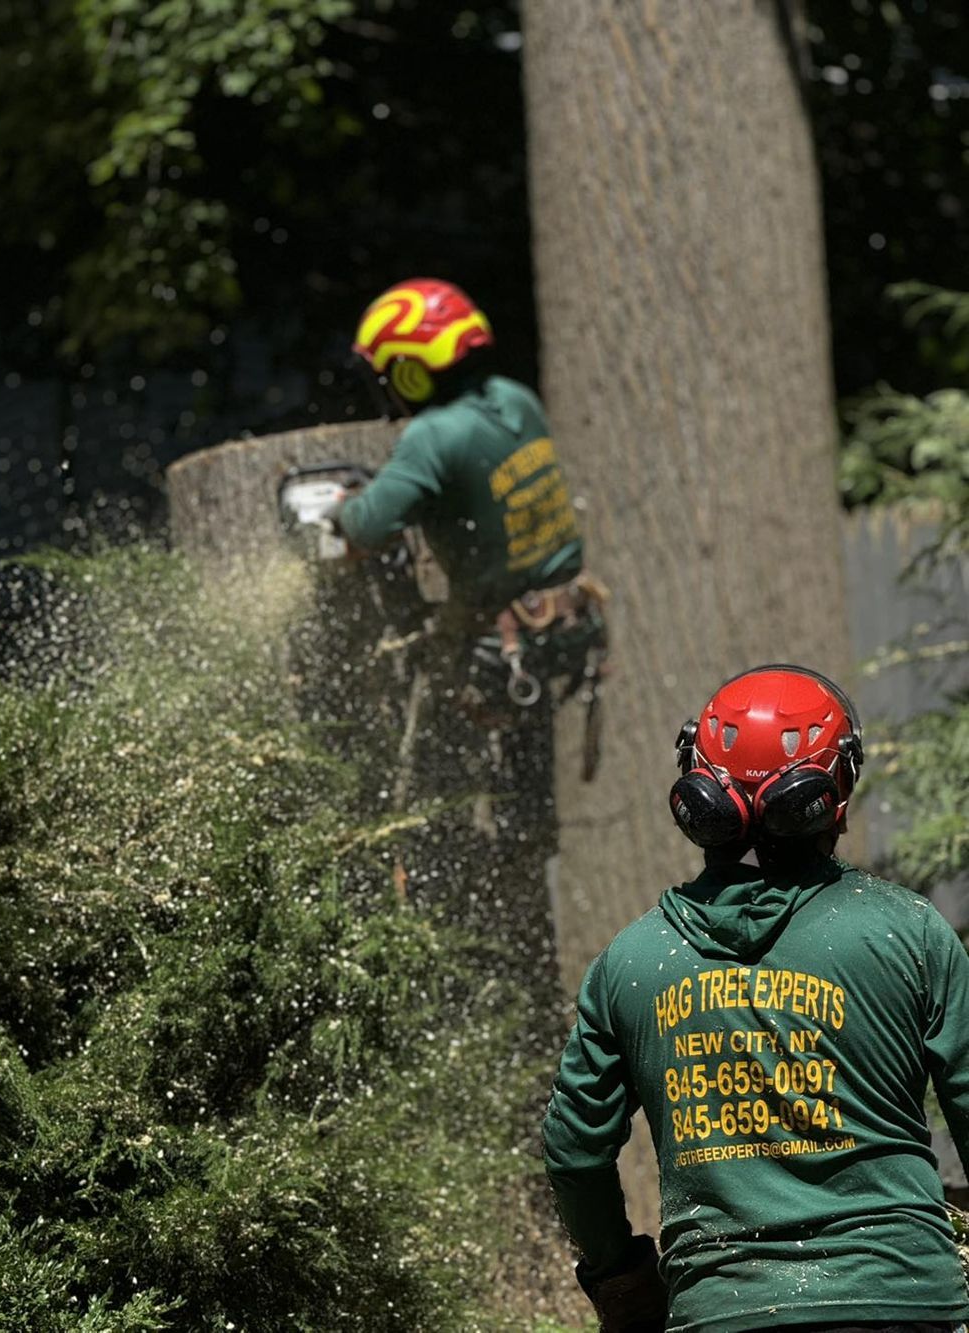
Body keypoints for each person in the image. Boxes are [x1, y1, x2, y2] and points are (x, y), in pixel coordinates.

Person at [543, 663, 969, 1333]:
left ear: (698, 789)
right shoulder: (908, 932)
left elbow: (575, 1151)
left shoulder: (631, 963)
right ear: (834, 789)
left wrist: (619, 1276)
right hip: (901, 1298)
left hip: (723, 1311)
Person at [333, 277, 608, 729]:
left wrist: (344, 505)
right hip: (569, 622)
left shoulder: (433, 436)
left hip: (493, 646)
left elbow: (365, 527)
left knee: (435, 754)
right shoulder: (515, 397)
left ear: (410, 373)